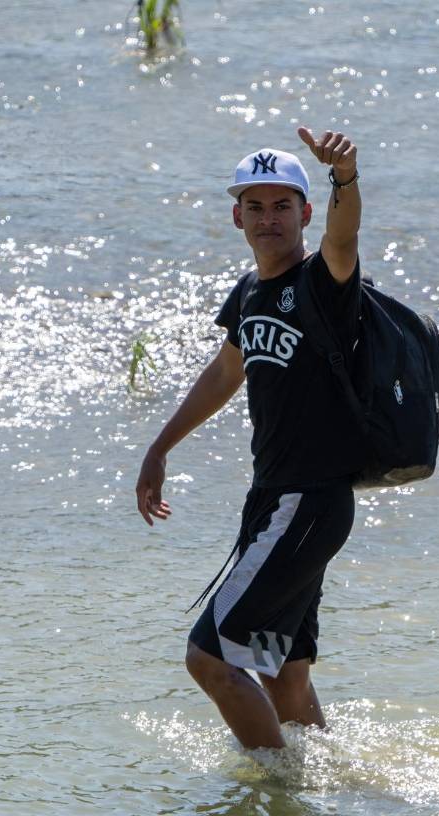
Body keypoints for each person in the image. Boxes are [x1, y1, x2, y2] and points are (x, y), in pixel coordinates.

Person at [135, 127, 363, 750]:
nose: (268, 219)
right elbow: (225, 372)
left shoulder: (323, 280)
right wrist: (159, 447)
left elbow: (344, 238)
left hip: (308, 502)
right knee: (281, 673)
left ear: (305, 214)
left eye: (282, 205)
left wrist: (345, 178)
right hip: (275, 502)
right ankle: (327, 780)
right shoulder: (249, 292)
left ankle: (274, 788)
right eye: (255, 206)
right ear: (237, 216)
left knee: (208, 659)